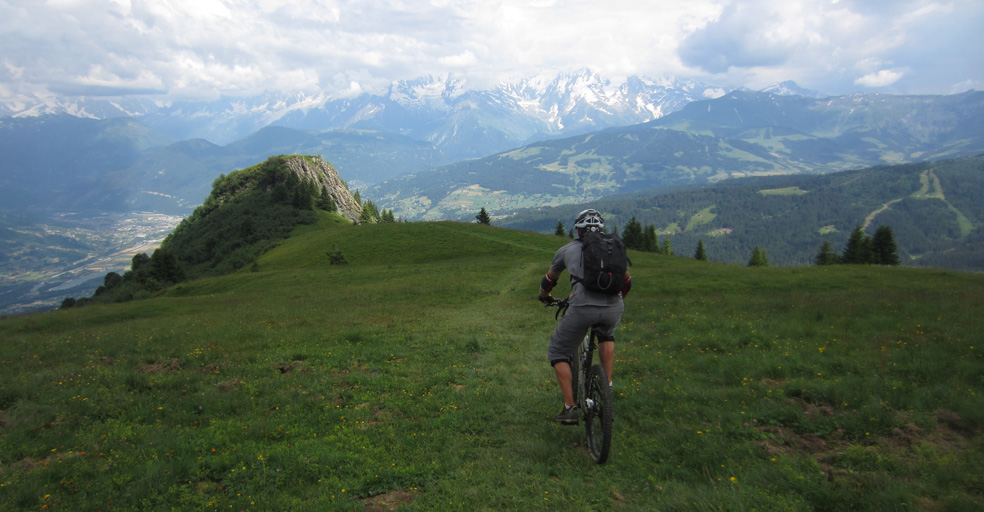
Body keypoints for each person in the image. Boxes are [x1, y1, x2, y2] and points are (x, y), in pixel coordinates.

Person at [538, 209, 631, 425]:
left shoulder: (566, 250)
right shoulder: (614, 248)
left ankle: (570, 408)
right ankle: (606, 387)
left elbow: (549, 279)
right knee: (606, 335)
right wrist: (618, 299)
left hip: (582, 307)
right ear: (601, 230)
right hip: (614, 307)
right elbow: (627, 282)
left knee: (558, 350)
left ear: (578, 230)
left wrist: (544, 296)